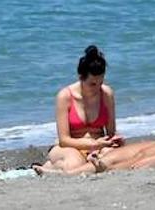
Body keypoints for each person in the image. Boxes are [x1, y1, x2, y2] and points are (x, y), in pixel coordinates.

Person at [34, 45, 124, 175]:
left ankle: (61, 168)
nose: (97, 88)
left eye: (101, 82)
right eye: (92, 84)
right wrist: (92, 145)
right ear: (81, 77)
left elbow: (110, 132)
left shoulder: (106, 93)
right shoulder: (65, 96)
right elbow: (64, 140)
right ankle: (54, 168)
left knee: (114, 159)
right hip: (70, 146)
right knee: (75, 164)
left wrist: (115, 140)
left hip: (98, 146)